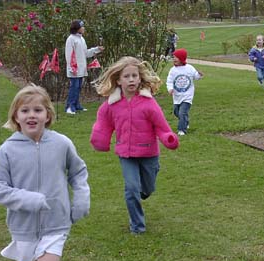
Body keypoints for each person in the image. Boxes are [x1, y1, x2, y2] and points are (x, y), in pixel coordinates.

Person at [0, 85, 90, 261]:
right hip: (22, 226)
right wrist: (27, 199)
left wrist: (81, 199)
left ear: (47, 115)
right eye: (25, 110)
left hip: (56, 223)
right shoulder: (7, 150)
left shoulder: (61, 143)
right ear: (16, 116)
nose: (31, 115)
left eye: (38, 110)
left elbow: (78, 172)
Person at [90, 56, 179, 234]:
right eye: (126, 76)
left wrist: (168, 137)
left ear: (140, 78)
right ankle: (137, 226)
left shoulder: (148, 103)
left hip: (149, 154)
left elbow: (161, 127)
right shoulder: (111, 105)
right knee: (131, 189)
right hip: (126, 154)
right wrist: (100, 139)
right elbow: (103, 123)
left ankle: (144, 189)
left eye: (134, 76)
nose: (131, 80)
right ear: (118, 80)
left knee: (147, 189)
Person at [65, 19, 104, 114]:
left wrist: (96, 49)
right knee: (74, 87)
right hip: (74, 69)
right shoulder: (71, 39)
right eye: (82, 26)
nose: (83, 28)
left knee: (78, 87)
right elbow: (69, 55)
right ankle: (69, 107)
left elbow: (86, 53)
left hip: (81, 69)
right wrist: (71, 68)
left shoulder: (81, 39)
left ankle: (77, 105)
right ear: (77, 28)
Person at [166, 48, 203, 136]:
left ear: (182, 59)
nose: (174, 59)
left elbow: (195, 76)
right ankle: (185, 122)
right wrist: (170, 89)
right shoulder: (173, 70)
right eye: (173, 57)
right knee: (176, 112)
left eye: (176, 57)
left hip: (187, 96)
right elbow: (169, 81)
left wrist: (199, 75)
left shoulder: (189, 68)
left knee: (182, 112)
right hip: (177, 96)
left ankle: (182, 130)